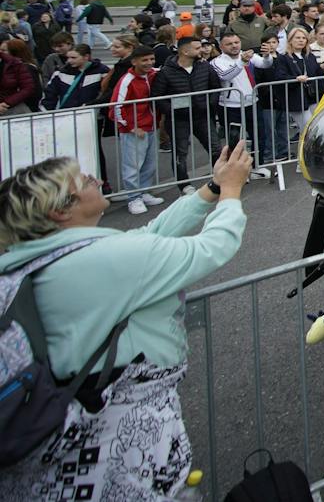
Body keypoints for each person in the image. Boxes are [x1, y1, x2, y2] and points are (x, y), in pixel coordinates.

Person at [0, 143, 252, 497]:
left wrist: (210, 190)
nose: (96, 178)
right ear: (59, 210)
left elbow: (149, 235)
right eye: (83, 180)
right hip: (118, 435)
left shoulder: (35, 261)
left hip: (54, 438)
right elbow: (212, 247)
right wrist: (231, 192)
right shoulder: (101, 260)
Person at [151, 33, 224, 183]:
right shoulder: (167, 71)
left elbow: (215, 87)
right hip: (179, 120)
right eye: (197, 48)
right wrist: (171, 110)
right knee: (180, 153)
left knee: (215, 148)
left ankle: (222, 179)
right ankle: (184, 185)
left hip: (203, 116)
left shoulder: (205, 66)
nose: (202, 51)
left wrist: (209, 105)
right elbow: (157, 95)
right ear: (185, 51)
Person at [111, 45, 163, 212]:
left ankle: (144, 191)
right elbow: (116, 107)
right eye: (144, 60)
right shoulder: (127, 80)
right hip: (134, 129)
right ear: (134, 61)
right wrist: (131, 127)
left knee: (149, 163)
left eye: (151, 59)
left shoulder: (153, 74)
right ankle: (133, 198)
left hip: (151, 125)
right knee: (132, 165)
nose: (149, 63)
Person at [210, 33, 262, 167]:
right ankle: (235, 168)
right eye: (229, 44)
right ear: (221, 46)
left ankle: (257, 165)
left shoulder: (246, 55)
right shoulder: (217, 61)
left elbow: (264, 64)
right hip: (230, 106)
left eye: (236, 42)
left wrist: (267, 56)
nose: (234, 46)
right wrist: (241, 62)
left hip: (252, 102)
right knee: (234, 140)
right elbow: (225, 76)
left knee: (259, 136)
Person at [42, 43, 108, 111]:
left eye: (74, 58)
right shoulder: (61, 73)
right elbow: (49, 95)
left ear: (86, 56)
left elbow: (107, 94)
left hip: (92, 114)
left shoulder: (102, 71)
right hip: (67, 115)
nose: (69, 61)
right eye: (68, 57)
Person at [0, 39, 43, 115]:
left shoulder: (26, 67)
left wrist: (7, 103)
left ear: (15, 52)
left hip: (16, 109)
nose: (1, 52)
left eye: (4, 50)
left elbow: (31, 90)